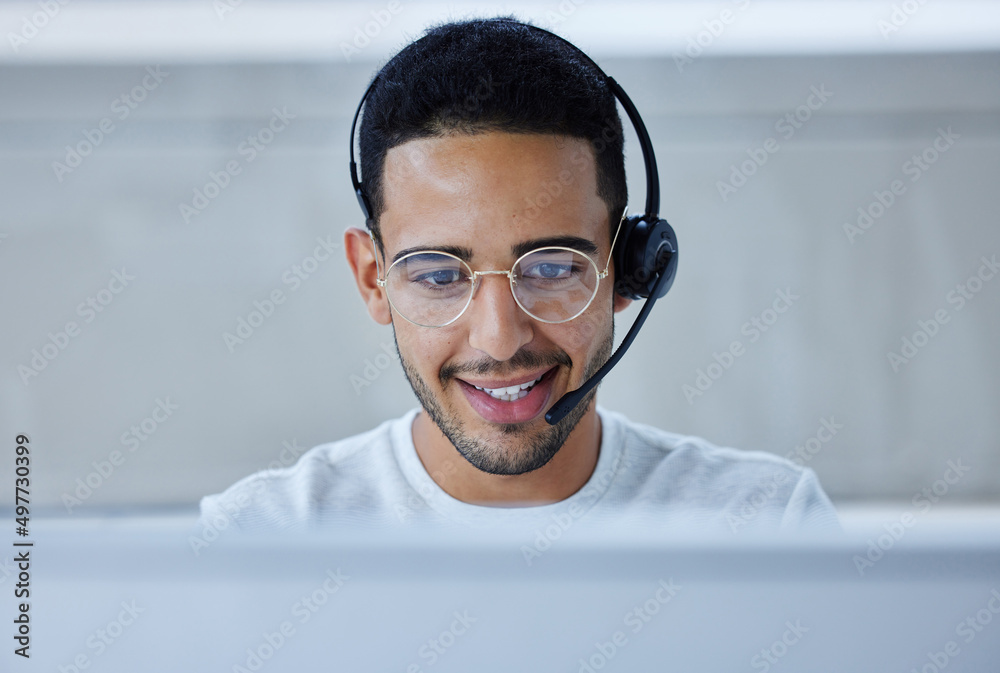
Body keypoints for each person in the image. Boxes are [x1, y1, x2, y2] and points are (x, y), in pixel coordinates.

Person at [199, 16, 839, 536]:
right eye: (439, 276)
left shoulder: (767, 525)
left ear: (632, 270)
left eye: (553, 267)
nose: (500, 340)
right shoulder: (260, 537)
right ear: (373, 279)